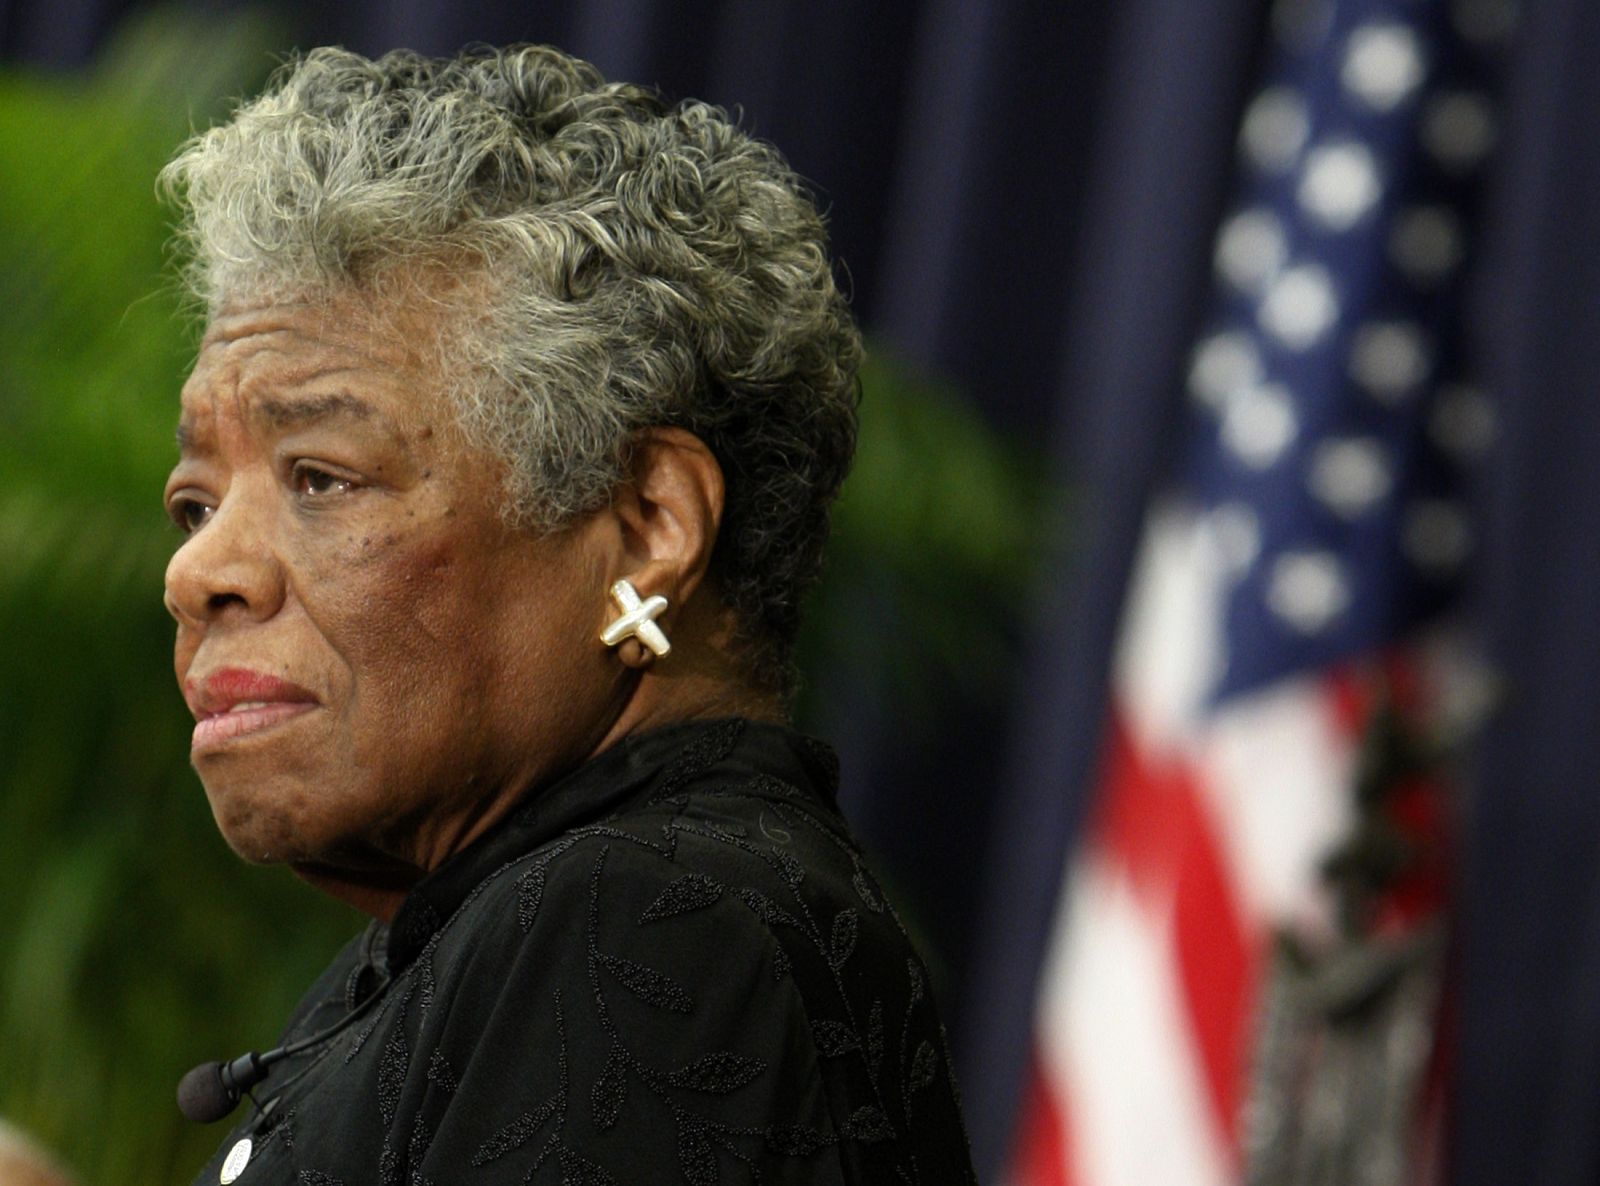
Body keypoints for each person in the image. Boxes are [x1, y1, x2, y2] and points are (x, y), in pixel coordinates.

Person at [159, 44, 976, 1185]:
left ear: (647, 524)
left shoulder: (651, 928)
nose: (199, 572)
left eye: (320, 477)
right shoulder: (492, 931)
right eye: (195, 501)